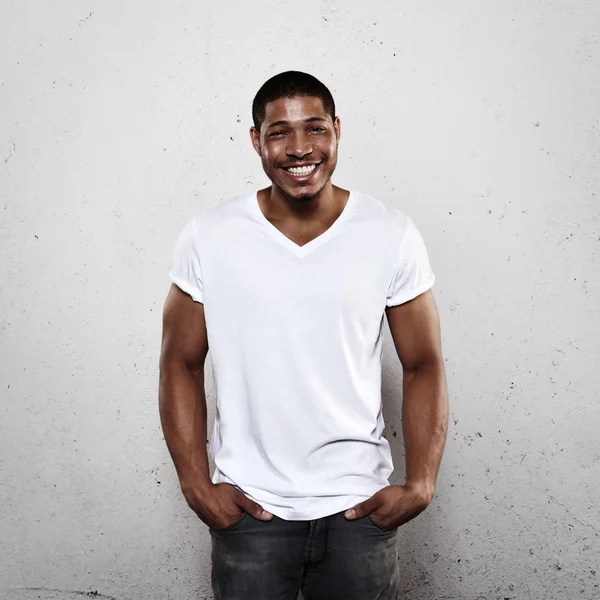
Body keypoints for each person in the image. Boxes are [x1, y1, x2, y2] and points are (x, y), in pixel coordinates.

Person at [159, 70, 449, 600]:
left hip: (360, 510)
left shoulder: (389, 233)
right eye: (279, 132)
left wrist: (422, 482)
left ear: (337, 129)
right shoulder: (211, 235)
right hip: (251, 512)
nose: (299, 148)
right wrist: (196, 485)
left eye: (314, 128)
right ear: (256, 140)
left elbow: (423, 362)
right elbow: (179, 361)